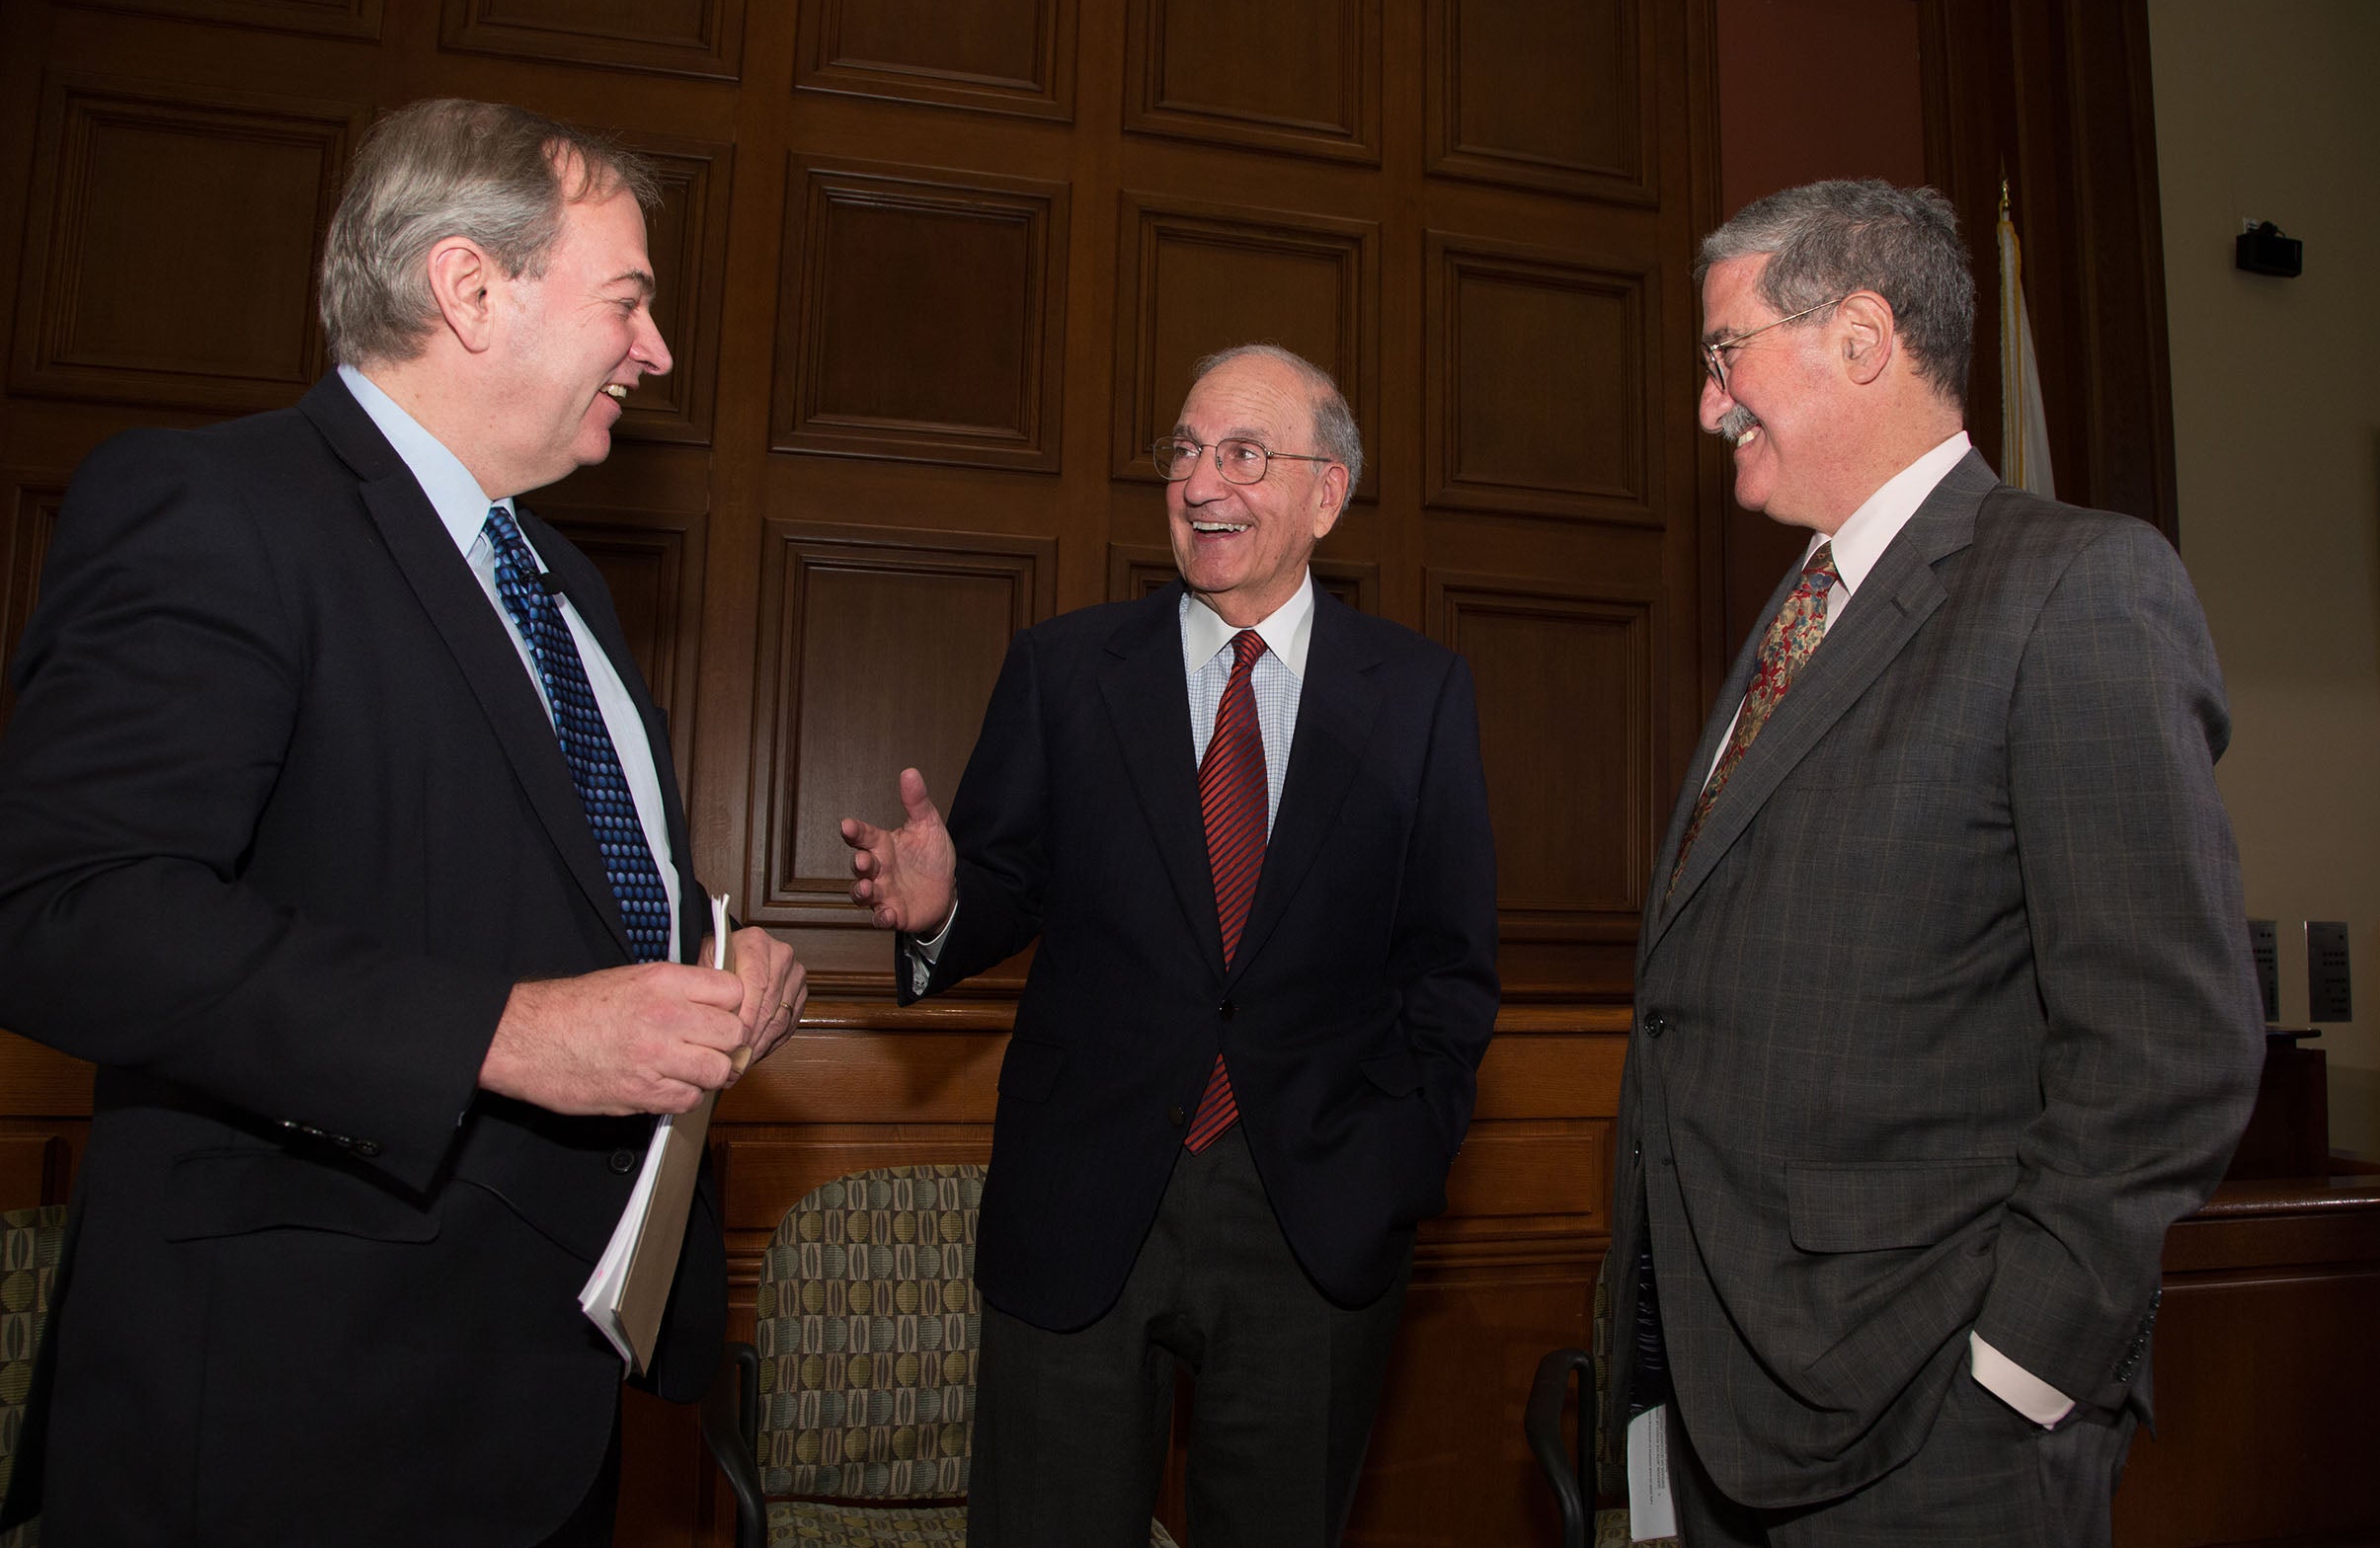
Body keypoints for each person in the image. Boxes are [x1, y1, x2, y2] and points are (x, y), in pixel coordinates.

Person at [0, 98, 807, 1547]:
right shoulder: (215, 507)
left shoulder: (567, 582)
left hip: (540, 1403)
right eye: (628, 300)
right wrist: (506, 1031)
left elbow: (578, 890)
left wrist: (722, 961)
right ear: (469, 287)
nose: (657, 349)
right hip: (294, 1424)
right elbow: (73, 910)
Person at [1607, 180, 2262, 1545]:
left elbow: (2167, 1043)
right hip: (1747, 1397)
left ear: (1860, 336)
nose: (1709, 403)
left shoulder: (2078, 586)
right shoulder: (1800, 609)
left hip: (1937, 1424)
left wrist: (2020, 1367)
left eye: (1727, 354)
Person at [838, 345, 1499, 1548]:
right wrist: (940, 906)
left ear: (1325, 493)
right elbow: (999, 885)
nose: (1202, 484)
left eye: (1242, 454)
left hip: (1313, 1213)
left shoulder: (1418, 694)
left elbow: (1448, 970)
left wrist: (1395, 1163)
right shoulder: (1064, 670)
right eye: (1183, 453)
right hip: (1084, 1201)